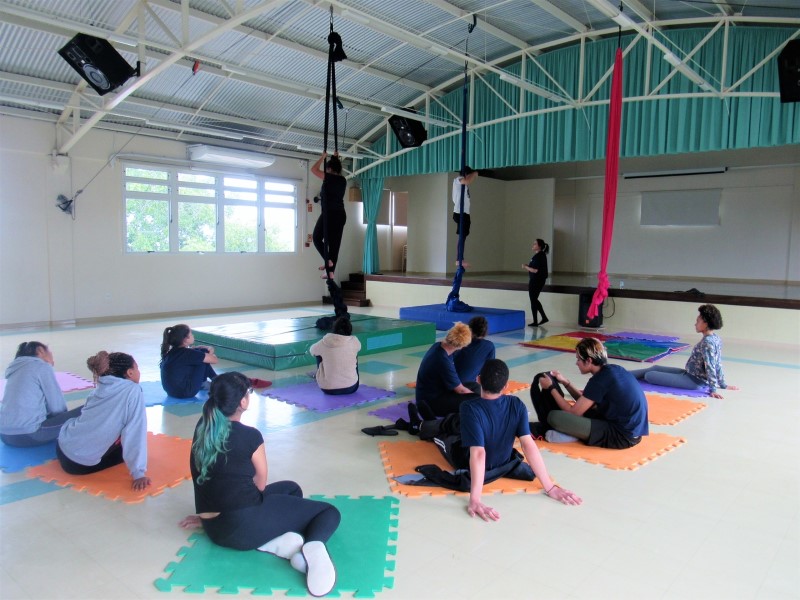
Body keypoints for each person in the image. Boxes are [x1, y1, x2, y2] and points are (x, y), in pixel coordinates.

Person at [180, 372, 340, 597]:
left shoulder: (203, 426)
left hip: (213, 528)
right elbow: (260, 484)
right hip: (240, 527)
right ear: (242, 402)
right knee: (328, 512)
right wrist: (250, 509)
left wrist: (220, 510)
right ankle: (312, 549)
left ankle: (273, 541)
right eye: (249, 392)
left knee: (291, 489)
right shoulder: (250, 436)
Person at [411, 359, 582, 520]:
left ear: (478, 380)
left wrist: (475, 499)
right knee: (458, 424)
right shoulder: (517, 404)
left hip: (463, 457)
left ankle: (420, 425)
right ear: (506, 386)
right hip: (503, 461)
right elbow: (528, 445)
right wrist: (550, 487)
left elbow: (478, 453)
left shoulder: (468, 407)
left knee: (443, 436)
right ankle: (429, 419)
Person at [56, 351, 150, 491]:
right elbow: (135, 431)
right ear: (130, 373)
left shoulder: (100, 385)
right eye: (137, 368)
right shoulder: (133, 390)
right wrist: (138, 473)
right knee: (125, 446)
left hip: (62, 445)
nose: (139, 371)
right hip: (78, 464)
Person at [531, 337, 649, 448]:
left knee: (554, 417)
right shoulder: (612, 370)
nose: (576, 363)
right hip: (633, 433)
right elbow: (585, 402)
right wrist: (566, 382)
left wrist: (551, 388)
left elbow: (573, 412)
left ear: (588, 361)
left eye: (578, 359)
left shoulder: (599, 380)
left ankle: (573, 435)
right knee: (586, 411)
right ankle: (578, 433)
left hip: (621, 437)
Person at [630, 304, 737, 399]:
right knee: (655, 368)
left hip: (693, 381)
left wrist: (713, 389)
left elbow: (711, 366)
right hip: (688, 374)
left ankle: (624, 375)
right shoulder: (715, 338)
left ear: (705, 323)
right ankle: (624, 374)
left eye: (697, 321)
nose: (695, 324)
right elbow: (718, 363)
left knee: (650, 375)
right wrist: (722, 384)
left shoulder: (708, 342)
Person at [0, 341, 83, 447]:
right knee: (88, 408)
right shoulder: (41, 366)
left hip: (4, 436)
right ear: (40, 350)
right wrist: (64, 423)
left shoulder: (15, 370)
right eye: (50, 352)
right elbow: (57, 407)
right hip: (30, 435)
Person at [415, 322, 479, 419]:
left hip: (433, 393)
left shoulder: (439, 346)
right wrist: (482, 400)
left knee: (474, 386)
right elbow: (461, 390)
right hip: (431, 403)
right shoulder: (442, 360)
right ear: (461, 346)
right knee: (476, 400)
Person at [311, 152, 347, 280]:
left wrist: (322, 157)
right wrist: (334, 158)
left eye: (326, 170)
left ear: (330, 169)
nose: (325, 172)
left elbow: (314, 169)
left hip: (330, 214)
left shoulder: (330, 178)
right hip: (340, 215)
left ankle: (328, 262)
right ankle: (330, 271)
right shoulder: (342, 180)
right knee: (334, 245)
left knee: (316, 238)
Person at [160, 324, 219, 399]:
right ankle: (216, 382)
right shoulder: (188, 353)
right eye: (191, 334)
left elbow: (194, 351)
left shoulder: (172, 352)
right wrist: (210, 350)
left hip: (171, 391)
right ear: (185, 339)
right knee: (203, 354)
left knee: (200, 354)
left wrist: (202, 349)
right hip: (186, 392)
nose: (193, 335)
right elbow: (214, 360)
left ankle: (213, 381)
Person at [309, 316, 361, 395]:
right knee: (354, 353)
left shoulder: (324, 342)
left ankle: (322, 375)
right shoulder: (354, 341)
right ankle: (348, 379)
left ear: (334, 328)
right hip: (351, 387)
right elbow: (359, 347)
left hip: (327, 389)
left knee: (318, 354)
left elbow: (312, 350)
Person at [453, 316, 495, 383]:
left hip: (447, 381)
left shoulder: (459, 341)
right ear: (485, 331)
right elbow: (489, 369)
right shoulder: (489, 346)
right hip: (466, 384)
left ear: (469, 328)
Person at [521, 238, 549, 327]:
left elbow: (535, 270)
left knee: (533, 299)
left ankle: (538, 320)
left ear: (539, 246)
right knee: (534, 300)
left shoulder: (539, 256)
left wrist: (525, 267)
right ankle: (540, 319)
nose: (533, 245)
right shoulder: (539, 255)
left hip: (536, 280)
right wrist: (528, 266)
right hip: (536, 280)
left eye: (535, 244)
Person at [452, 166, 479, 240]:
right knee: (463, 234)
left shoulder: (464, 185)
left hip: (464, 212)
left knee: (464, 233)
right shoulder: (458, 180)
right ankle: (459, 247)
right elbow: (467, 181)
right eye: (469, 175)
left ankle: (460, 246)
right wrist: (474, 173)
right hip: (460, 212)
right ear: (466, 174)